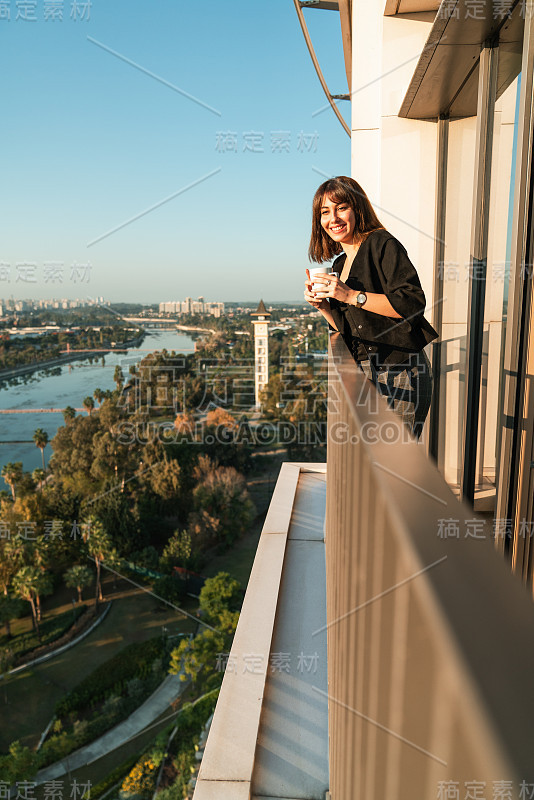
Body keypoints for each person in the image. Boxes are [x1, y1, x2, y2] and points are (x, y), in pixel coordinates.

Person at [304, 175, 438, 441]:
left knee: (396, 462)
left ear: (357, 208)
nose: (334, 218)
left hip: (401, 371)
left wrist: (351, 294)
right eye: (325, 212)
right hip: (369, 374)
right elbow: (347, 328)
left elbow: (412, 303)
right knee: (377, 462)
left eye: (341, 208)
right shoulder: (340, 264)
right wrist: (322, 306)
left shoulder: (382, 244)